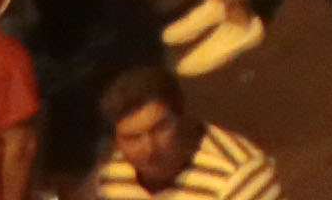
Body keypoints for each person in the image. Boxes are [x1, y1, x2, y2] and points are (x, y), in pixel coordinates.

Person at [89, 68, 282, 200]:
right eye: (132, 138)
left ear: (182, 118)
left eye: (160, 128)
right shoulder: (109, 171)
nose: (150, 148)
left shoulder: (241, 177)